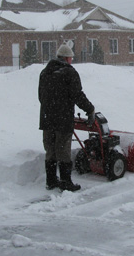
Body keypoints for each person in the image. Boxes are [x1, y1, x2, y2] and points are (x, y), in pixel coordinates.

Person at [38, 41, 95, 192]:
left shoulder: (45, 72)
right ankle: (66, 181)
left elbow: (40, 96)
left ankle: (51, 181)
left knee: (50, 150)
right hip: (62, 119)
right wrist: (90, 110)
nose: (72, 61)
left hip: (46, 118)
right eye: (71, 58)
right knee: (63, 150)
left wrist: (50, 109)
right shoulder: (69, 72)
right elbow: (77, 95)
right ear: (67, 58)